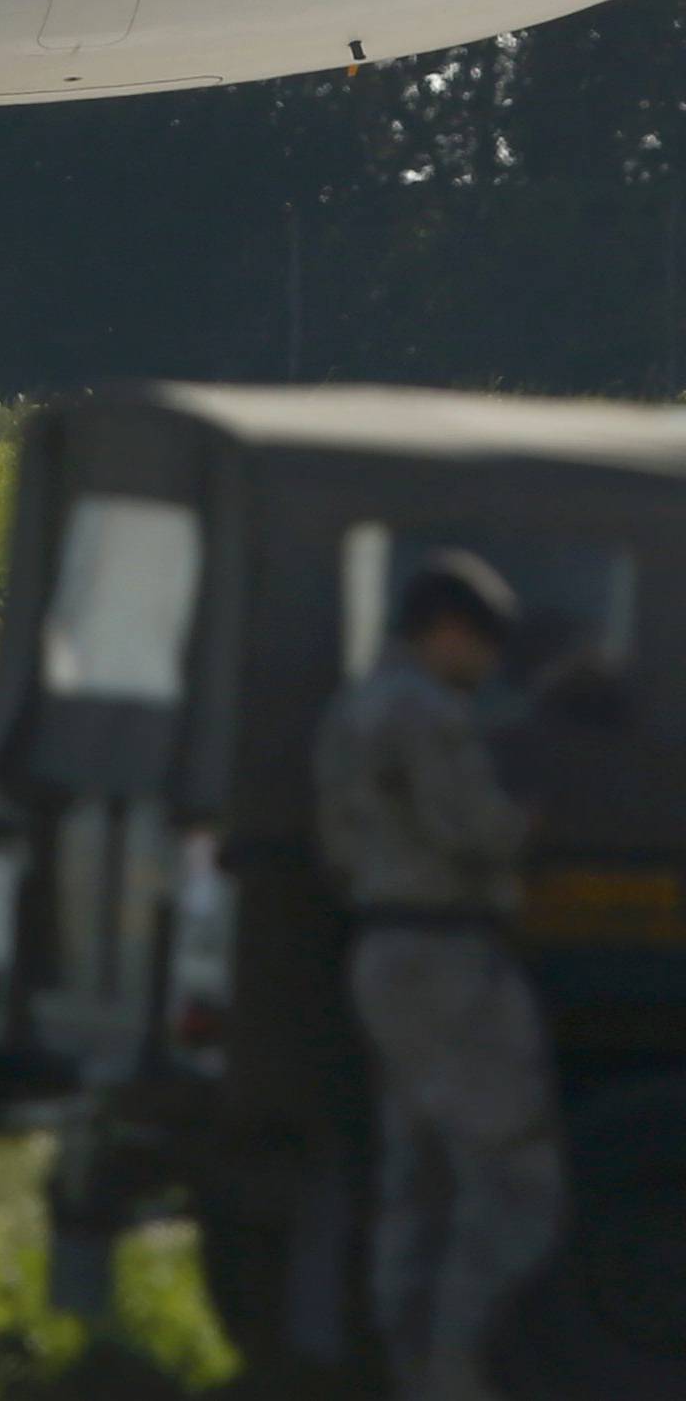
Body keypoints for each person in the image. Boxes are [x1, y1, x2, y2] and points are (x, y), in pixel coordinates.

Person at [313, 551, 565, 1401]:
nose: (488, 666)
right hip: (448, 951)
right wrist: (524, 821)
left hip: (383, 951)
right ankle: (463, 1371)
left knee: (415, 1179)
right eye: (484, 646)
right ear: (450, 632)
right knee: (513, 1176)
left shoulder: (354, 709)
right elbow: (475, 832)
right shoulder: (426, 712)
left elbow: (341, 844)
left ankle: (405, 1365)